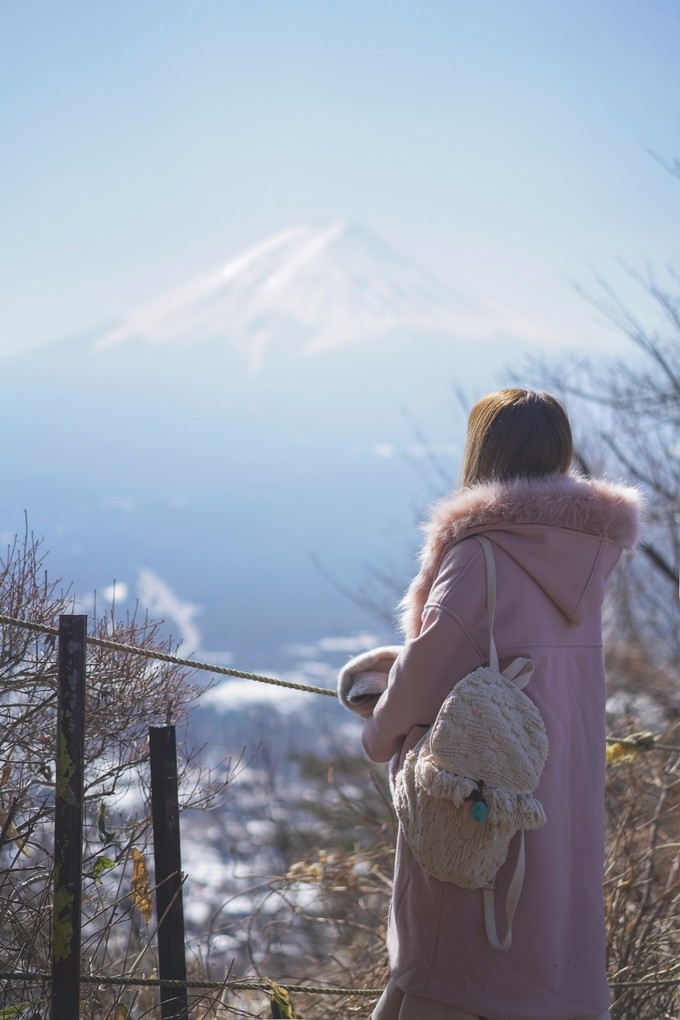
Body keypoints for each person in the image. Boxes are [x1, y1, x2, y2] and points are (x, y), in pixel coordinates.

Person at [340, 390, 644, 1020]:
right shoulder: (587, 555)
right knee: (540, 963)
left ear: (483, 453)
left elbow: (429, 671)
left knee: (447, 971)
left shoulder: (480, 554)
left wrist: (377, 736)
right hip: (557, 801)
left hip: (477, 803)